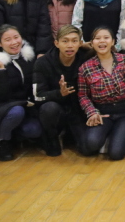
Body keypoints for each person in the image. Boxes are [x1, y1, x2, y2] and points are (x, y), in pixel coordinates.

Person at [77, 27, 125, 160]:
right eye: (97, 38)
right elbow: (83, 95)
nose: (102, 41)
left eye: (106, 38)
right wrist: (92, 112)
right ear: (92, 43)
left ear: (113, 41)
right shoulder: (85, 67)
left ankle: (119, 134)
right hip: (103, 112)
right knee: (91, 144)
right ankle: (107, 136)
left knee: (116, 154)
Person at [0, 25, 40, 161]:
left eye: (16, 37)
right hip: (1, 106)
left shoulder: (29, 58)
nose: (14, 42)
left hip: (25, 105)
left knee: (34, 130)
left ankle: (14, 136)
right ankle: (2, 141)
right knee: (16, 111)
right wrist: (1, 68)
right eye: (7, 39)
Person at [32, 25, 90, 157]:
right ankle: (51, 137)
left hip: (77, 110)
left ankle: (69, 134)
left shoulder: (85, 59)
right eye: (65, 41)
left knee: (87, 149)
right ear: (56, 43)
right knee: (49, 108)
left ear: (80, 43)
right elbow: (37, 96)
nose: (70, 45)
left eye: (74, 41)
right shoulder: (42, 63)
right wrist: (59, 93)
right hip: (55, 109)